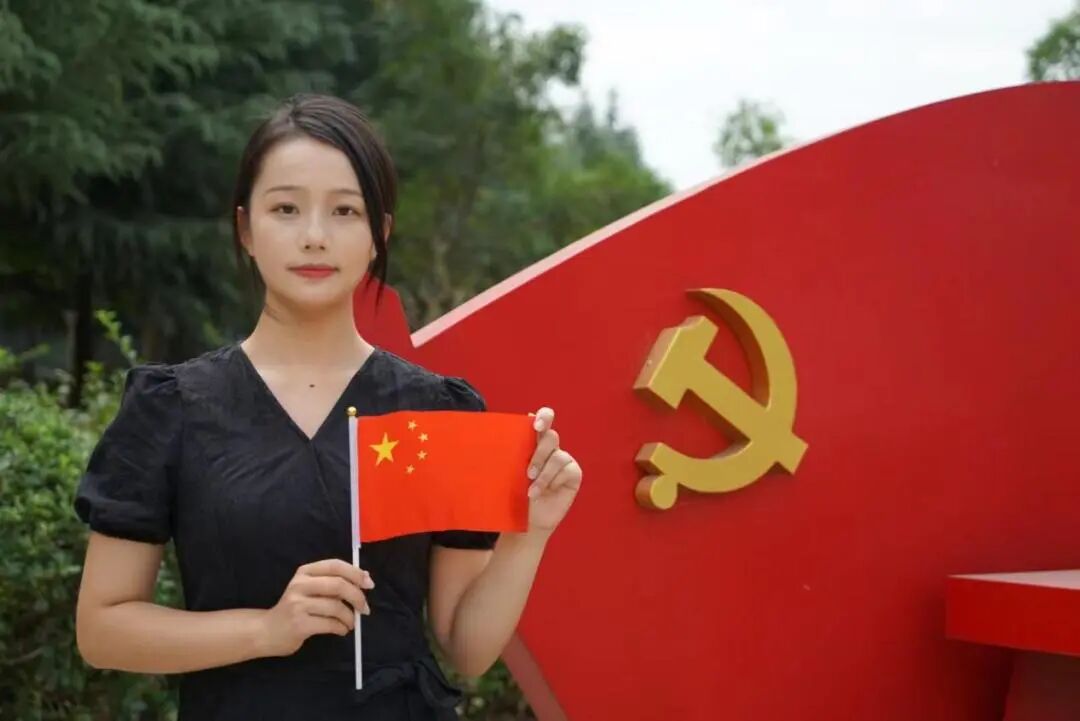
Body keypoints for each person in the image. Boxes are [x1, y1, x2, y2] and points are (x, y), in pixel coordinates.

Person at [73, 93, 583, 720]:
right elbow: (102, 629)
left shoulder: (435, 411)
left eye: (345, 211)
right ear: (245, 229)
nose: (314, 237)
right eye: (286, 208)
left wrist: (529, 534)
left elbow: (466, 648)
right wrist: (267, 629)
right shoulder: (171, 408)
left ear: (378, 234)